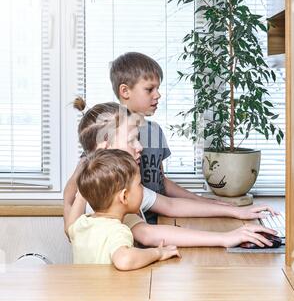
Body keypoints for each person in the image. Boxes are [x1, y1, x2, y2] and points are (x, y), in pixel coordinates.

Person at [64, 98, 277, 249]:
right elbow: (147, 234)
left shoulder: (121, 182)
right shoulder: (103, 192)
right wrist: (225, 237)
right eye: (131, 140)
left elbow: (170, 205)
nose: (140, 147)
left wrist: (233, 212)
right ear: (104, 148)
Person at [69, 148, 180, 270]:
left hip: (82, 289)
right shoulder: (118, 231)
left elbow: (71, 223)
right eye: (139, 184)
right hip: (109, 290)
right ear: (124, 196)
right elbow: (124, 260)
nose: (143, 189)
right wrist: (158, 253)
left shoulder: (81, 224)